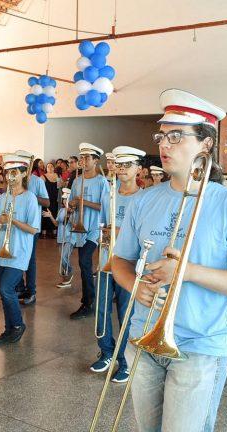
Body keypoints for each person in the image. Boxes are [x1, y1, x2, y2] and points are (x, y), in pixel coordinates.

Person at [111, 89, 227, 432]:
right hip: (142, 337)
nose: (164, 144)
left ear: (206, 145)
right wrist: (136, 289)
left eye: (176, 136)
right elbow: (119, 262)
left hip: (199, 346)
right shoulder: (142, 201)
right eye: (162, 135)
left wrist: (187, 271)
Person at [91, 146, 145, 383]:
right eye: (119, 165)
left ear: (138, 169)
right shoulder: (109, 194)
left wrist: (120, 232)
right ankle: (106, 352)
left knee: (126, 313)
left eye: (128, 165)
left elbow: (144, 235)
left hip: (130, 265)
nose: (122, 170)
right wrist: (103, 237)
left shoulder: (145, 198)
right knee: (101, 310)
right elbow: (101, 226)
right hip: (106, 260)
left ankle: (125, 361)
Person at [0, 154, 40, 346]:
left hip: (19, 251)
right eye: (7, 172)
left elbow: (33, 229)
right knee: (3, 292)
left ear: (22, 175)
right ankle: (8, 328)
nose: (10, 176)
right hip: (1, 250)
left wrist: (12, 220)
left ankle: (18, 325)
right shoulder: (3, 197)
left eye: (14, 173)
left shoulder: (30, 198)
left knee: (6, 288)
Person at [69, 143, 110, 320]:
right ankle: (89, 299)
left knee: (85, 261)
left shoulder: (102, 182)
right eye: (82, 158)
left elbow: (104, 206)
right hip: (79, 227)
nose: (83, 161)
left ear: (95, 160)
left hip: (95, 228)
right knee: (83, 263)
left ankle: (88, 302)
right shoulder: (77, 181)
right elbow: (71, 202)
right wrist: (71, 206)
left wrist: (83, 202)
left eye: (87, 158)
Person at [13, 150, 50, 306]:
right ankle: (20, 287)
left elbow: (47, 203)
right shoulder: (12, 180)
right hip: (14, 225)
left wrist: (31, 197)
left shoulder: (37, 181)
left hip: (31, 227)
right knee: (14, 256)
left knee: (30, 259)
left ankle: (31, 292)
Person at [43, 188, 74, 288]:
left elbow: (75, 225)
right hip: (61, 238)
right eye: (64, 199)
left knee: (64, 257)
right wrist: (50, 215)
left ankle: (69, 274)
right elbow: (56, 223)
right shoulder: (61, 210)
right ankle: (66, 278)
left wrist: (70, 214)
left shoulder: (74, 211)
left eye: (67, 199)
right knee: (62, 259)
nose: (65, 201)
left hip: (70, 238)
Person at [41, 162, 60, 238]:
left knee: (54, 213)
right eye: (48, 166)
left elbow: (59, 186)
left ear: (54, 168)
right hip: (46, 197)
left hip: (55, 198)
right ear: (46, 168)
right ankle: (44, 232)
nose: (50, 168)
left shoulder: (57, 175)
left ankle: (54, 232)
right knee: (45, 212)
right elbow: (39, 187)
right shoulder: (43, 176)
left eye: (51, 166)